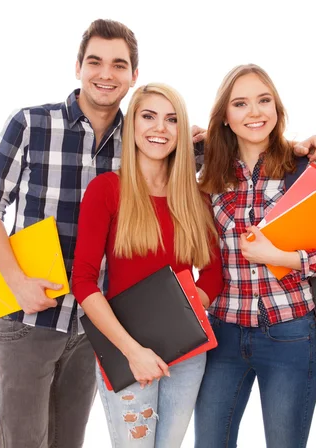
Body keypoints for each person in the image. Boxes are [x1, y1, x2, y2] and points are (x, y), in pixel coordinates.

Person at [0, 19, 140, 447]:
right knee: (23, 441)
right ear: (78, 67)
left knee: (69, 441)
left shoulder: (140, 141)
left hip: (91, 323)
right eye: (95, 62)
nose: (106, 74)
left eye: (119, 65)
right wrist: (17, 283)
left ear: (133, 76)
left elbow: (209, 155)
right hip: (30, 315)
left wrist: (296, 146)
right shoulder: (31, 124)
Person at [193, 64, 316, 448]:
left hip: (288, 333)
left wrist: (283, 255)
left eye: (264, 100)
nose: (254, 112)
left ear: (277, 109)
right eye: (241, 103)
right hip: (222, 334)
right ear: (226, 118)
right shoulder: (208, 173)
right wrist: (191, 139)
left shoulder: (302, 172)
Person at [71, 83, 223, 447]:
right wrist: (133, 351)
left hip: (187, 355)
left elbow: (214, 274)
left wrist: (181, 317)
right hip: (126, 353)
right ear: (132, 125)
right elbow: (84, 281)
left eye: (172, 120)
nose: (160, 128)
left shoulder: (196, 198)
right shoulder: (107, 190)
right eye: (149, 116)